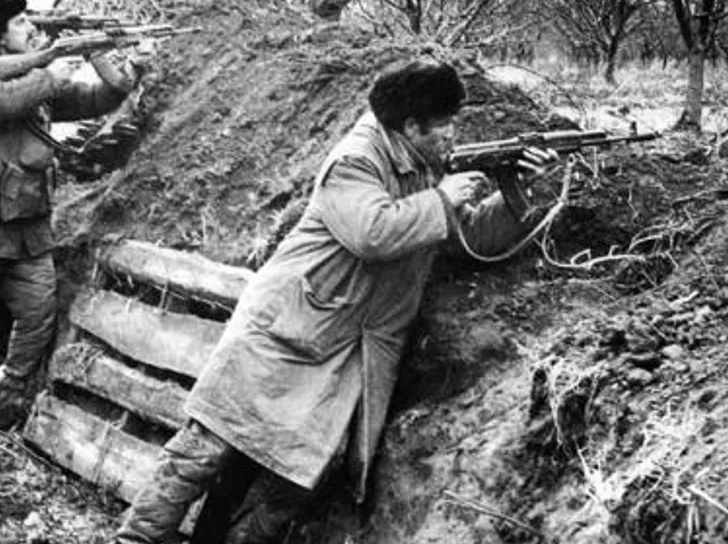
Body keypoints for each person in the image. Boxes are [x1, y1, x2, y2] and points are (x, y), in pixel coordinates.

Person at [111, 59, 558, 544]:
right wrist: (444, 200)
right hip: (286, 329)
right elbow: (372, 232)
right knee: (204, 452)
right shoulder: (357, 159)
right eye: (446, 124)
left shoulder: (425, 165)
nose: (454, 135)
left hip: (347, 351)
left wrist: (517, 192)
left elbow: (473, 238)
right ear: (411, 126)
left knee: (297, 483)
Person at [0, 0, 139, 430]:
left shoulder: (31, 79)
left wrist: (98, 52)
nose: (31, 28)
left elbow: (103, 95)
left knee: (38, 318)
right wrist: (54, 62)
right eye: (21, 23)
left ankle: (9, 397)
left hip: (27, 228)